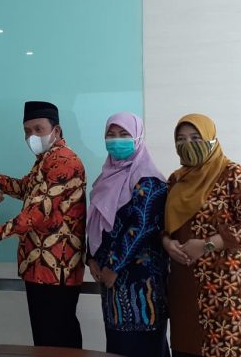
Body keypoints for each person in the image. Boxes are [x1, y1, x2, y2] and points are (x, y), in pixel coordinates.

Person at [0, 101, 86, 349]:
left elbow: (40, 208)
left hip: (56, 266)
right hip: (40, 265)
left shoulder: (64, 161)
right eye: (27, 131)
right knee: (46, 337)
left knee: (57, 338)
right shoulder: (45, 160)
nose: (32, 136)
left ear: (56, 130)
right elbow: (27, 188)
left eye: (38, 129)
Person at [163, 113, 241, 357]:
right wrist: (167, 243)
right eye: (181, 139)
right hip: (185, 279)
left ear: (211, 139)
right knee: (187, 345)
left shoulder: (234, 174)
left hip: (227, 285)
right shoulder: (176, 180)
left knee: (229, 346)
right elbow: (164, 226)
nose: (187, 144)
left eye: (195, 137)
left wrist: (207, 245)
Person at [86, 112, 170, 357]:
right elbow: (96, 224)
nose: (116, 140)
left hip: (142, 283)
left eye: (124, 134)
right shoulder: (105, 178)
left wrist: (113, 266)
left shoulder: (149, 181)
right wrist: (91, 258)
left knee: (144, 347)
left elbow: (141, 227)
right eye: (110, 135)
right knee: (118, 346)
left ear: (138, 137)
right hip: (111, 283)